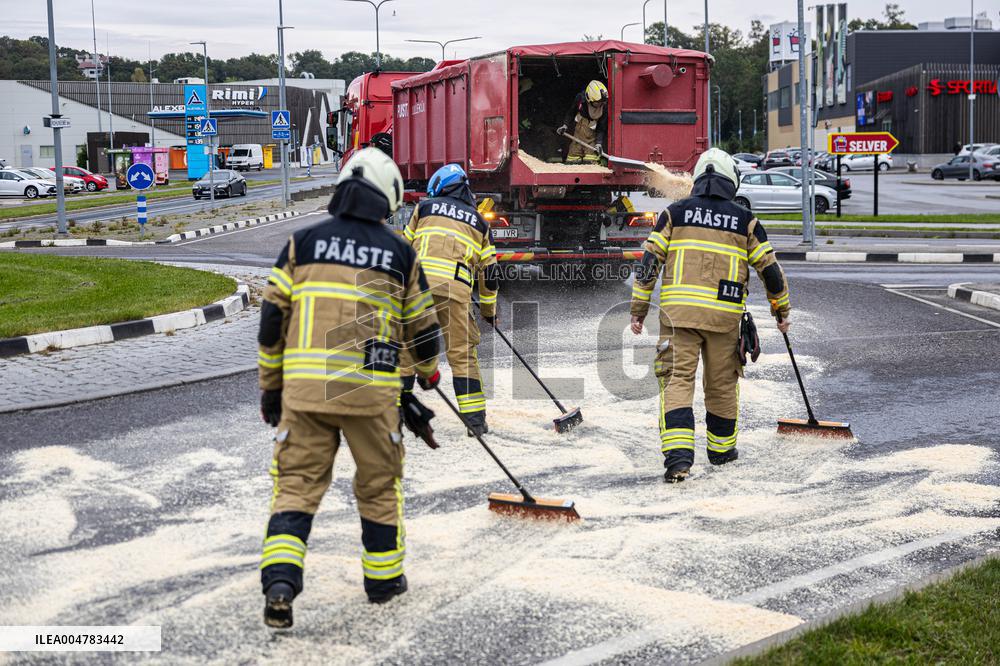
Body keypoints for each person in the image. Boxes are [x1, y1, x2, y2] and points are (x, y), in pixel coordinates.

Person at [256, 147, 443, 628]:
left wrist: (271, 390)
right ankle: (383, 584)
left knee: (295, 488)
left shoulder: (302, 243)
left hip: (304, 394)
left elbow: (272, 320)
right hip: (370, 396)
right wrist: (424, 372)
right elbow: (423, 330)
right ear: (389, 197)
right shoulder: (400, 251)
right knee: (379, 488)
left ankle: (280, 582)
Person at [629, 147, 791, 483]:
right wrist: (781, 311)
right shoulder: (745, 220)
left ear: (699, 178)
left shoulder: (675, 213)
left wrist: (638, 311)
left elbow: (648, 265)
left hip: (678, 319)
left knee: (676, 384)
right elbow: (770, 270)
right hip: (724, 320)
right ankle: (721, 454)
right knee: (721, 387)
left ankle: (678, 462)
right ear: (732, 181)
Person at [398, 163, 499, 436]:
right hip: (455, 293)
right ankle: (475, 423)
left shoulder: (425, 208)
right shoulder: (480, 222)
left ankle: (394, 416)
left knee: (406, 351)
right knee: (462, 355)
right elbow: (490, 274)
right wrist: (489, 311)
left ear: (441, 186)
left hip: (417, 290)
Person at [557, 80, 608, 164]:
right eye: (597, 103)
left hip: (591, 142)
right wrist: (565, 126)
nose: (599, 105)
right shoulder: (580, 99)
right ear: (589, 98)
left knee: (590, 163)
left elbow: (601, 128)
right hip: (577, 139)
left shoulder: (604, 107)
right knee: (571, 162)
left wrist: (599, 143)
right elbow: (571, 113)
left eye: (601, 103)